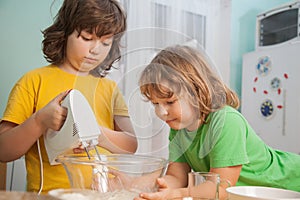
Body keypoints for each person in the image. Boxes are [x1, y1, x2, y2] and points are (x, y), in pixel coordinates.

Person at [0, 0, 137, 194]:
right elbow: (3, 150)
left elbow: (131, 144)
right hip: (48, 196)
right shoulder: (34, 81)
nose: (96, 50)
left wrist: (97, 135)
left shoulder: (109, 89)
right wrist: (39, 121)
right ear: (65, 33)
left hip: (100, 196)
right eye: (87, 38)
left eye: (106, 42)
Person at [137, 45, 300, 200]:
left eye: (170, 102)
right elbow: (177, 176)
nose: (161, 112)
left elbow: (221, 189)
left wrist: (175, 194)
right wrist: (165, 187)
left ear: (197, 91)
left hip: (290, 183)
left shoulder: (226, 121)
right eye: (155, 104)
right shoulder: (178, 130)